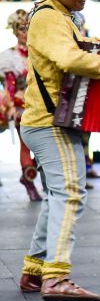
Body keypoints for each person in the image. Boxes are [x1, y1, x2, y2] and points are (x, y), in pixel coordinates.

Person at [18, 0, 100, 301]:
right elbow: (69, 59)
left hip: (45, 122)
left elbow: (72, 52)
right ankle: (57, 277)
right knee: (71, 192)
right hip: (49, 125)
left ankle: (34, 271)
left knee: (57, 196)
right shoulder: (48, 18)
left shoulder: (57, 16)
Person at [0, 10, 43, 200]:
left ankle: (29, 176)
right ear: (15, 31)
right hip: (22, 107)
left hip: (44, 106)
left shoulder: (41, 53)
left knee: (44, 146)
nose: (25, 32)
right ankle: (30, 183)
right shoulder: (10, 57)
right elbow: (9, 86)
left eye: (28, 28)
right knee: (26, 145)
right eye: (21, 29)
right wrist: (10, 106)